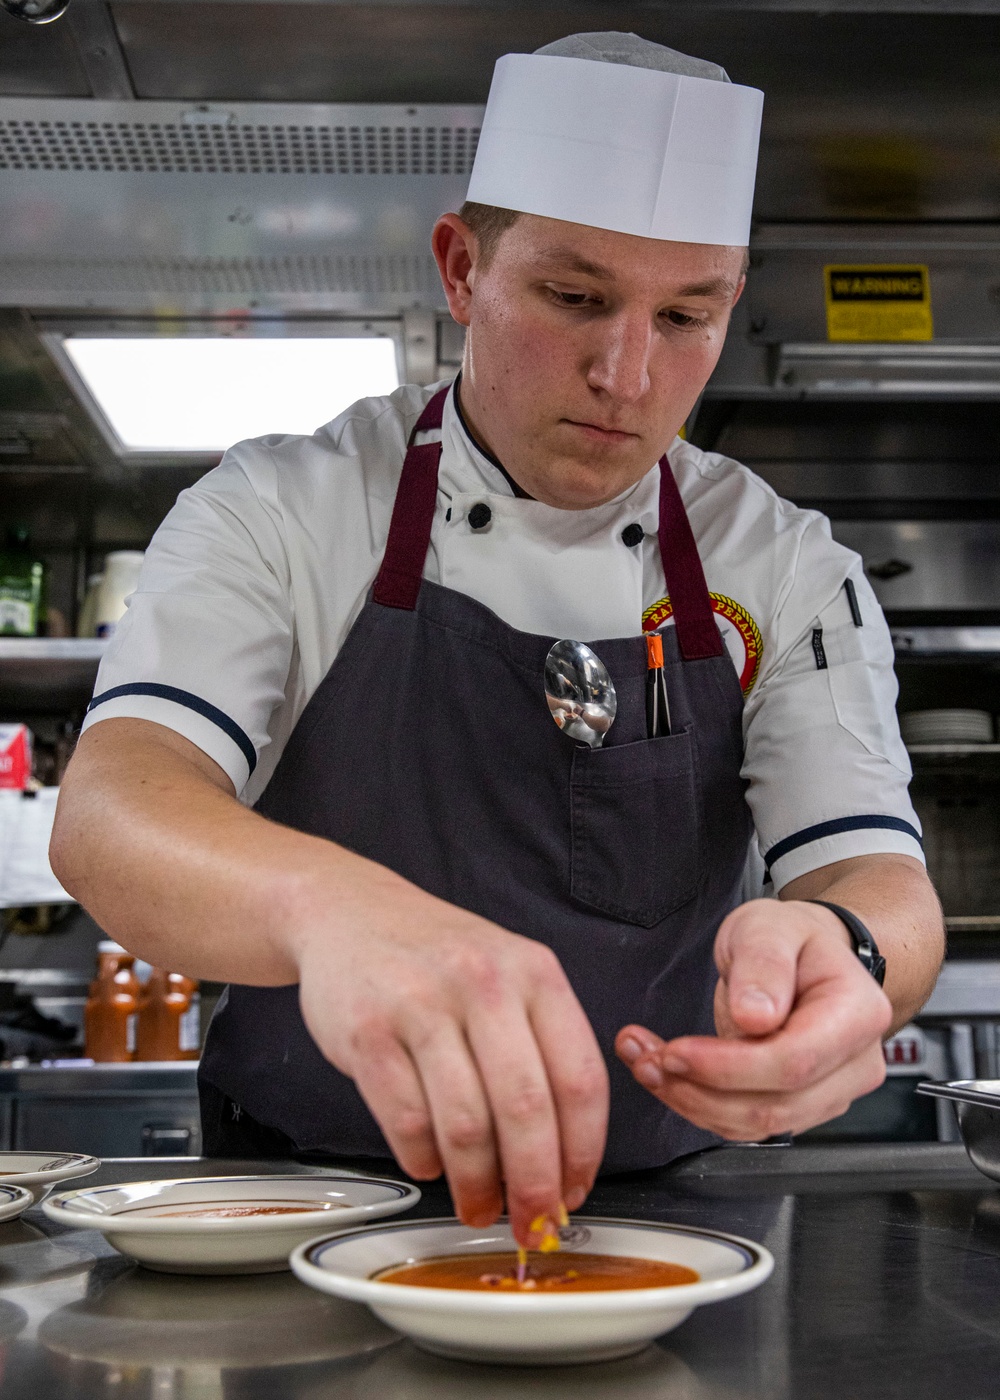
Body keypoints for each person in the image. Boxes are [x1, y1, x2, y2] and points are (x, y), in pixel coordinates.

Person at [51, 32, 944, 1247]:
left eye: (687, 314)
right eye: (574, 296)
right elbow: (113, 814)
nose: (627, 373)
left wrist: (842, 947)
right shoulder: (282, 507)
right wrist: (334, 910)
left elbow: (877, 880)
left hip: (676, 1220)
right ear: (462, 268)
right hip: (300, 1206)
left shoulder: (781, 564)